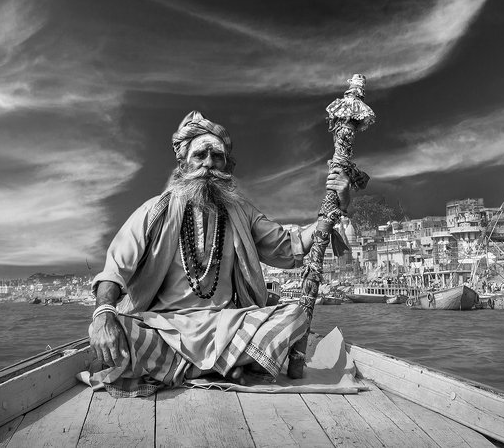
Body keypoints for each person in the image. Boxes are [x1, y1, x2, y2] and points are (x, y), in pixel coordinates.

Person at [88, 111, 351, 396]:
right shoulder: (156, 210)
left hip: (227, 325)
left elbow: (288, 246)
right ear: (183, 164)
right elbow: (115, 269)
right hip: (164, 327)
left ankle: (179, 369)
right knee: (119, 332)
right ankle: (225, 367)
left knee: (294, 317)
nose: (209, 164)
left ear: (226, 165)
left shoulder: (242, 212)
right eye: (200, 156)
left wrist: (336, 206)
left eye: (217, 157)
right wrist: (103, 313)